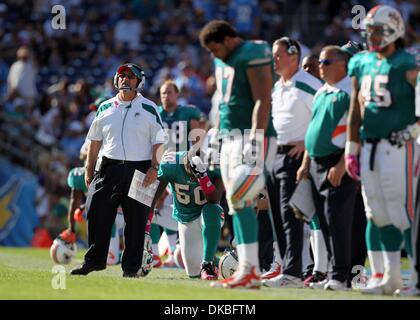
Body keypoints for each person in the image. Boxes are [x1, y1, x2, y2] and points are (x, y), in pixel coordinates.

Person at [346, 5, 420, 295]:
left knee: (403, 213)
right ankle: (390, 277)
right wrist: (351, 148)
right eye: (370, 31)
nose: (373, 36)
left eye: (378, 30)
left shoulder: (406, 63)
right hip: (369, 147)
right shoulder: (362, 62)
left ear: (394, 31)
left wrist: (414, 128)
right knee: (377, 213)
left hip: (399, 146)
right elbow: (355, 107)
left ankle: (414, 277)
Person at [199, 20, 277, 289]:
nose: (213, 55)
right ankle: (248, 269)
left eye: (215, 48)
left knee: (242, 197)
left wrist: (256, 140)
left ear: (229, 39)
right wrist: (215, 138)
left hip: (251, 137)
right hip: (229, 137)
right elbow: (223, 105)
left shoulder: (253, 53)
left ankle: (253, 268)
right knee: (236, 204)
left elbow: (263, 99)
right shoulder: (223, 62)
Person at [70, 63, 166, 277]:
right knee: (95, 211)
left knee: (136, 220)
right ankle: (94, 261)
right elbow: (94, 141)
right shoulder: (105, 107)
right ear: (116, 80)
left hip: (141, 168)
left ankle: (131, 268)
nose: (125, 79)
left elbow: (160, 141)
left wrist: (154, 167)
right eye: (122, 76)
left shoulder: (150, 107)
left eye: (130, 77)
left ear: (138, 82)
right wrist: (89, 169)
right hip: (108, 167)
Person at [264, 37, 323, 289]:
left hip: (296, 155)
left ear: (293, 56)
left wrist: (306, 143)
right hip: (275, 155)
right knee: (278, 216)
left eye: (278, 55)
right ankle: (289, 268)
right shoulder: (277, 86)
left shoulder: (309, 84)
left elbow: (322, 117)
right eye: (273, 55)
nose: (274, 60)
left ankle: (294, 272)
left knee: (292, 216)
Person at [151, 80, 205, 267]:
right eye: (163, 93)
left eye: (170, 92)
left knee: (180, 209)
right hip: (160, 165)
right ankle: (155, 253)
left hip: (182, 168)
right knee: (149, 204)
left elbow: (200, 135)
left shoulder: (188, 112)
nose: (166, 96)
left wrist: (196, 158)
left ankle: (176, 252)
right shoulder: (155, 113)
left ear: (177, 94)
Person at [152, 149, 224, 280]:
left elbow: (215, 199)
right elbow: (154, 196)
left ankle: (208, 264)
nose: (192, 177)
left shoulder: (213, 164)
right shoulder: (172, 164)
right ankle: (222, 262)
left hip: (208, 216)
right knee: (193, 272)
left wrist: (203, 176)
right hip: (186, 219)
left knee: (211, 209)